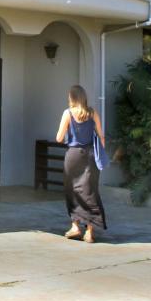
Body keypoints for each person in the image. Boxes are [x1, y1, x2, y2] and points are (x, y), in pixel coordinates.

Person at [55, 84, 106, 243]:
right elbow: (101, 136)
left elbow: (59, 138)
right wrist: (100, 152)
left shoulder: (67, 113)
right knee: (90, 191)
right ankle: (90, 232)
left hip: (73, 156)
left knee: (73, 190)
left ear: (72, 98)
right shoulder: (93, 113)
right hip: (90, 155)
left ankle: (75, 226)